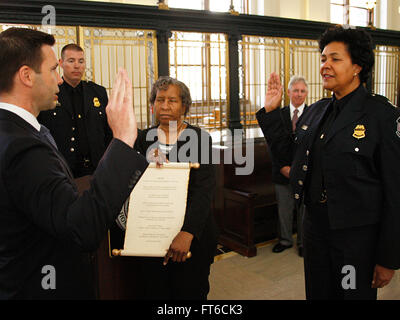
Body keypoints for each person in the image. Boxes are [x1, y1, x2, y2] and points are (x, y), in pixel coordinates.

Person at [0, 27, 147, 299]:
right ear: (27, 76)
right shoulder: (22, 146)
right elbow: (82, 227)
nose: (59, 79)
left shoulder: (16, 131)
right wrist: (124, 139)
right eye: (54, 68)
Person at [257, 25, 400, 300]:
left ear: (357, 65)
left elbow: (395, 192)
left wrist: (388, 257)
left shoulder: (381, 115)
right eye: (323, 58)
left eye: (335, 59)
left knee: (349, 295)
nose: (325, 65)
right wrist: (273, 113)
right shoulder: (317, 110)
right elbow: (290, 156)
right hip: (315, 230)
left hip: (355, 239)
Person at [128, 76, 218, 300]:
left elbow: (204, 190)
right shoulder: (142, 138)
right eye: (159, 100)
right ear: (152, 104)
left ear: (184, 105)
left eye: (172, 100)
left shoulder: (199, 138)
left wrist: (187, 233)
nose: (165, 106)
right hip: (152, 237)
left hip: (191, 237)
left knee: (190, 292)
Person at [37, 44, 112, 179]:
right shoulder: (51, 93)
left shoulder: (97, 92)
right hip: (63, 171)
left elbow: (107, 131)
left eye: (81, 61)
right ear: (61, 63)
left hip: (97, 169)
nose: (77, 66)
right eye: (71, 61)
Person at [258, 75, 308, 257]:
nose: (299, 94)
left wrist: (298, 169)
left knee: (304, 211)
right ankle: (285, 240)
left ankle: (304, 243)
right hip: (282, 172)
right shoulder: (277, 114)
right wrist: (283, 167)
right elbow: (273, 145)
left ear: (307, 93)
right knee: (284, 209)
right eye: (296, 90)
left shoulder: (314, 115)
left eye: (303, 91)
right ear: (288, 92)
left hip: (304, 174)